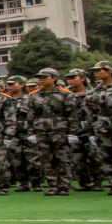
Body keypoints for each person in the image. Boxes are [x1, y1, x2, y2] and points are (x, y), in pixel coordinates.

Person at [22, 68, 77, 196]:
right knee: (46, 160)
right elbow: (31, 116)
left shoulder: (65, 94)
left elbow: (72, 115)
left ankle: (63, 186)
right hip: (42, 131)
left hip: (60, 130)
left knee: (62, 159)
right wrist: (31, 133)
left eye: (44, 77)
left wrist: (72, 132)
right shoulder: (34, 95)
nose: (41, 79)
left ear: (54, 78)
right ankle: (52, 186)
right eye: (39, 77)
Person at [88, 61, 112, 195]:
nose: (96, 72)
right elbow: (90, 110)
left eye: (100, 70)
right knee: (106, 156)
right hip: (101, 126)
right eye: (95, 70)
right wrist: (92, 129)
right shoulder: (94, 91)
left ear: (110, 71)